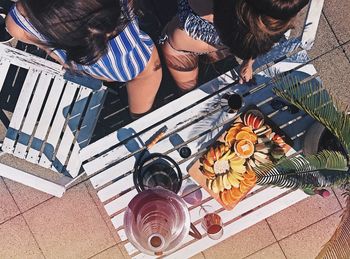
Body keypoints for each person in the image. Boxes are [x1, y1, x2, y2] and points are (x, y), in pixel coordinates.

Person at [6, 0, 162, 118]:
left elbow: (48, 48)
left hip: (86, 64)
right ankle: (140, 120)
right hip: (132, 61)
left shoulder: (17, 24)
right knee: (145, 85)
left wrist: (67, 61)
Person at [161, 0, 309, 91]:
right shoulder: (202, 6)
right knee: (186, 84)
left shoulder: (281, 7)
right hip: (183, 40)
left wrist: (249, 61)